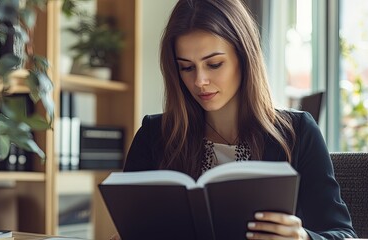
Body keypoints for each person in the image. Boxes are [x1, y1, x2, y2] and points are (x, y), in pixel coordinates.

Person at [121, 0, 357, 239]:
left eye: (214, 64)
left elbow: (344, 234)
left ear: (244, 57)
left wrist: (303, 238)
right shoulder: (154, 134)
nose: (199, 81)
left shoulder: (298, 132)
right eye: (186, 68)